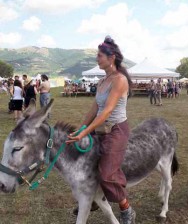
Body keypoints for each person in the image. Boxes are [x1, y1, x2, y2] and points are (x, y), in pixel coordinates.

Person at [66, 36, 136, 224]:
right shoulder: (102, 81)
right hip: (100, 130)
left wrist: (85, 132)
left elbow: (106, 112)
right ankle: (94, 199)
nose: (97, 59)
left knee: (107, 174)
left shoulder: (120, 80)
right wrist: (81, 128)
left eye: (99, 56)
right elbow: (95, 108)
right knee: (86, 163)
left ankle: (126, 208)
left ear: (111, 57)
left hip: (116, 130)